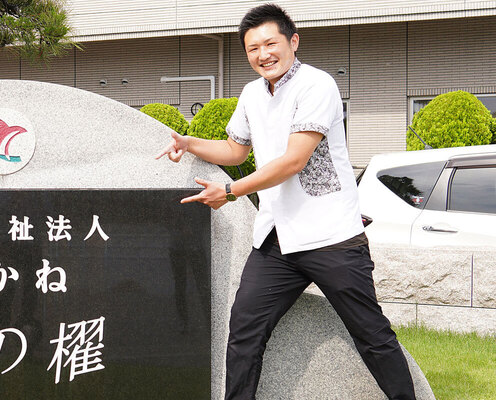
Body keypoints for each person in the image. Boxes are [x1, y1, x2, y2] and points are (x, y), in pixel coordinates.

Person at [157, 4, 416, 400]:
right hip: (276, 241)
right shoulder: (251, 94)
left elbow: (294, 160)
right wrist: (190, 142)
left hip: (332, 237)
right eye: (252, 48)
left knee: (372, 335)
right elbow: (235, 150)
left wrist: (230, 192)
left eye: (270, 43)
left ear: (293, 41)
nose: (263, 55)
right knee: (244, 332)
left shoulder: (317, 85)